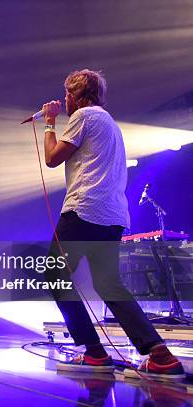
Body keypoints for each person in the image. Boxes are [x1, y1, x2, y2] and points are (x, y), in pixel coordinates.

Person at [41, 69, 184, 380]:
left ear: (75, 97)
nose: (65, 102)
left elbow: (52, 158)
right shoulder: (110, 123)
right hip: (112, 215)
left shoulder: (84, 116)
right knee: (108, 284)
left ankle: (94, 352)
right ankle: (160, 355)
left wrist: (50, 122)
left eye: (67, 96)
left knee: (53, 274)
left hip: (84, 210)